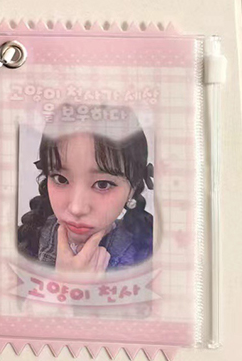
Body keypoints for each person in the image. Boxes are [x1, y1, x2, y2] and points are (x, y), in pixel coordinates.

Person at [17, 105, 154, 273]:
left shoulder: (154, 258)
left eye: (102, 184)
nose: (77, 208)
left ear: (133, 188)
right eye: (61, 179)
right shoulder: (19, 243)